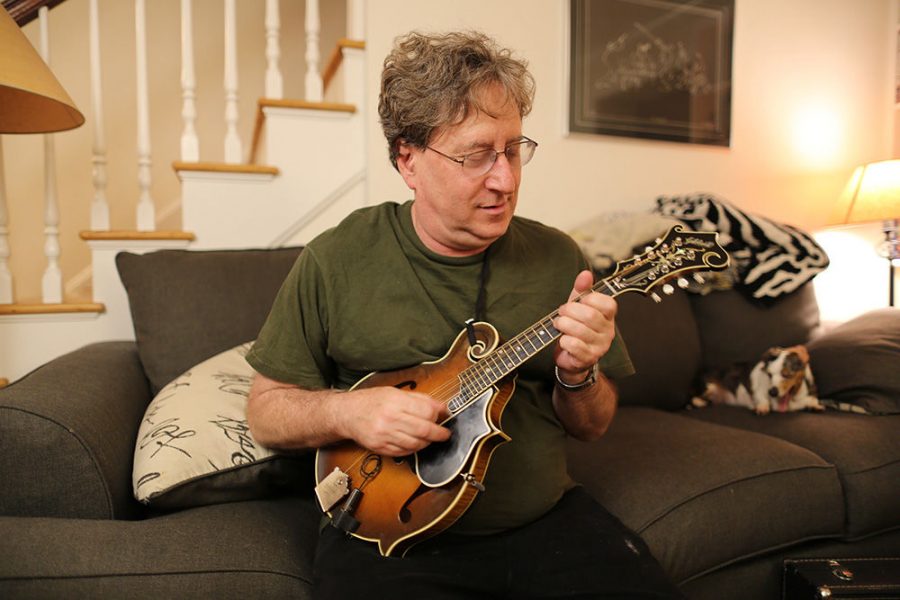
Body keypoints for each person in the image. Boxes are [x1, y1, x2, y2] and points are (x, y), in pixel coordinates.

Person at [245, 30, 684, 599]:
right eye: (477, 154)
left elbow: (592, 425)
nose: (504, 178)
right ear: (409, 160)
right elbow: (265, 412)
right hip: (392, 533)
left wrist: (579, 372)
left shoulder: (559, 259)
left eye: (512, 149)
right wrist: (352, 412)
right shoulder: (336, 259)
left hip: (543, 525)